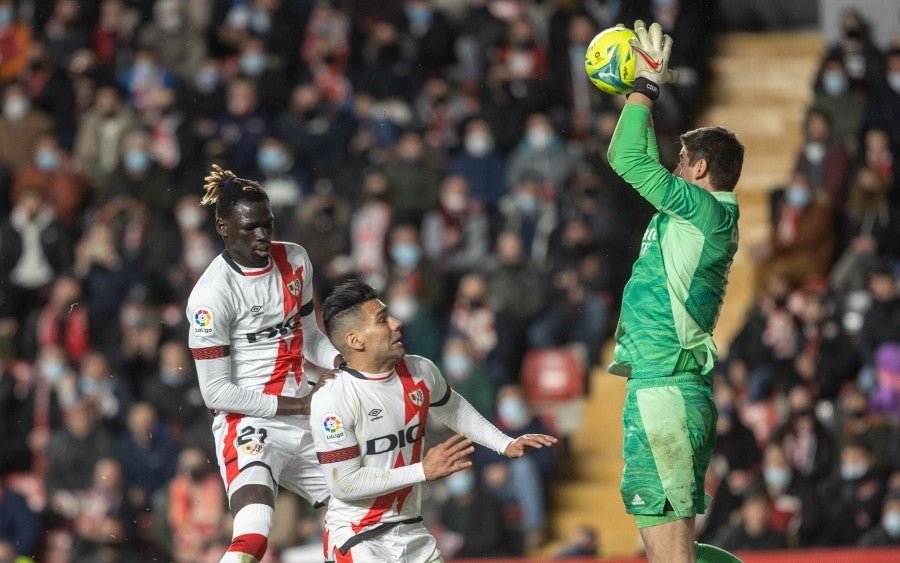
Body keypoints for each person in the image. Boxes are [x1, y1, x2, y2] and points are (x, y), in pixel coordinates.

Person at [605, 20, 745, 563]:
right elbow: (635, 159)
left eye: (682, 162)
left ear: (701, 167)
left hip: (664, 394)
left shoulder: (701, 211)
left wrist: (645, 89)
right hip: (671, 392)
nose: (675, 169)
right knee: (676, 552)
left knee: (670, 559)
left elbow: (626, 160)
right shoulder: (702, 219)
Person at [311, 278, 556, 562]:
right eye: (382, 319)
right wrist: (422, 471)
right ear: (355, 340)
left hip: (411, 530)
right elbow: (345, 484)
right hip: (358, 537)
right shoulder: (333, 398)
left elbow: (453, 409)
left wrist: (504, 443)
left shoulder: (420, 370)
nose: (396, 323)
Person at [185, 165, 344, 563]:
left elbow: (309, 337)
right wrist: (301, 405)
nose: (262, 235)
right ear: (223, 226)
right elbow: (215, 392)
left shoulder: (295, 259)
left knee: (355, 517)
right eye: (250, 227)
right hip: (250, 422)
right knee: (254, 536)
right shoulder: (211, 297)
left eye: (267, 224)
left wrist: (342, 362)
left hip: (307, 417)